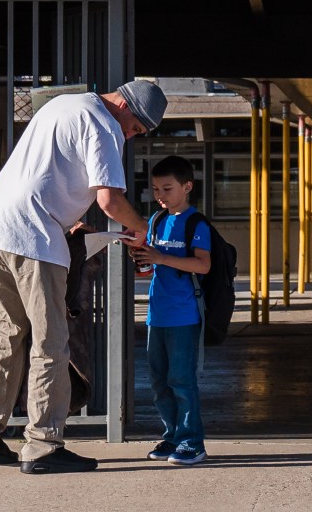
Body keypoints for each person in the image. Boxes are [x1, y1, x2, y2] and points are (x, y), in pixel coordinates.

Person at [0, 80, 167, 474]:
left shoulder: (64, 105)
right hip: (34, 236)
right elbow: (109, 199)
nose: (131, 135)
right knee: (51, 342)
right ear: (123, 104)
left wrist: (69, 220)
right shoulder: (104, 124)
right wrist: (140, 228)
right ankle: (42, 445)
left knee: (6, 331)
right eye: (135, 127)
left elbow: (48, 172)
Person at [131, 155, 211, 465]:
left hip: (184, 315)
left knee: (181, 379)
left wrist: (161, 258)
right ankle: (173, 435)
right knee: (159, 381)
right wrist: (143, 258)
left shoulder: (196, 222)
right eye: (155, 189)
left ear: (187, 187)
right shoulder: (155, 220)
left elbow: (203, 264)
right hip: (157, 314)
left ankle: (193, 441)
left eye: (167, 188)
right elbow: (153, 264)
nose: (160, 196)